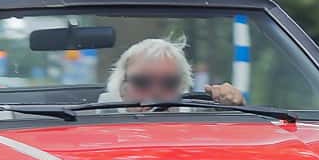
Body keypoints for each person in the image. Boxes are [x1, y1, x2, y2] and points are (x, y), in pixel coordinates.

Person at [100, 37, 242, 107]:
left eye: (169, 83)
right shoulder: (90, 125)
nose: (156, 92)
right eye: (142, 82)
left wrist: (233, 106)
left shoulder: (201, 123)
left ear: (183, 88)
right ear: (121, 87)